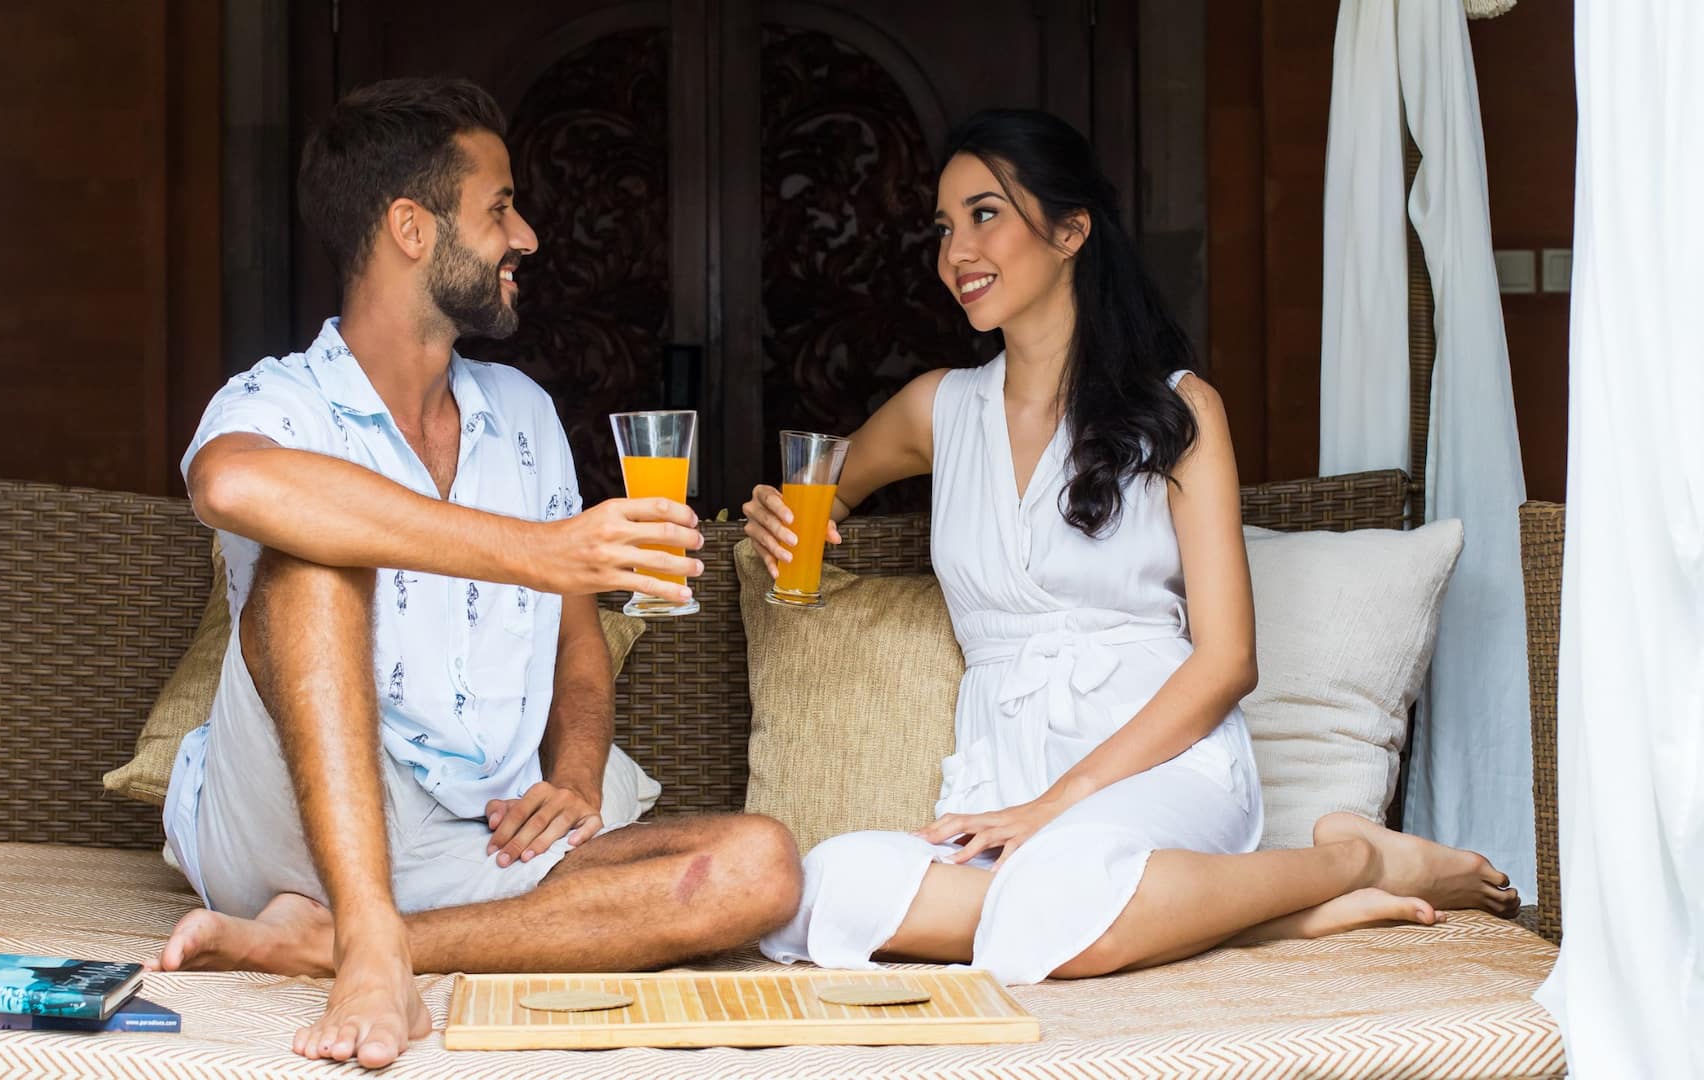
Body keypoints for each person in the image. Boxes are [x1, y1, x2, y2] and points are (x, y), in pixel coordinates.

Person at [742, 109, 1517, 986]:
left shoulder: (1181, 412)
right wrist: (778, 514)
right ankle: (1268, 912)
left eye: (985, 214)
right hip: (1002, 771)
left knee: (1052, 886)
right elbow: (819, 495)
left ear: (1072, 229)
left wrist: (1057, 804)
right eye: (944, 226)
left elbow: (1226, 661)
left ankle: (1359, 861)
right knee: (826, 885)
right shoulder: (937, 409)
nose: (956, 249)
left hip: (1162, 764)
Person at [156, 77, 800, 1069]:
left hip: (470, 841)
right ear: (411, 228)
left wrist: (577, 777)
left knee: (758, 868)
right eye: (499, 208)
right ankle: (366, 935)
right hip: (287, 812)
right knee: (317, 559)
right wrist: (536, 551)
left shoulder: (524, 415)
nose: (527, 237)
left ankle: (336, 943)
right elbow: (232, 485)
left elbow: (581, 656)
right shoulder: (281, 399)